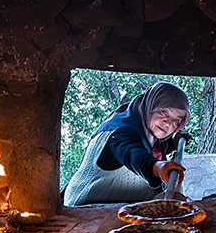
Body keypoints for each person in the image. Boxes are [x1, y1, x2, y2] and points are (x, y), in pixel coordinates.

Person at [63, 81, 191, 206]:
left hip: (121, 205)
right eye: (164, 112)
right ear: (150, 106)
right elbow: (132, 153)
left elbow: (147, 147)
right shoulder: (118, 132)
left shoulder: (151, 133)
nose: (168, 123)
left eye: (176, 120)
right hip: (84, 206)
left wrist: (173, 142)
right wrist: (157, 167)